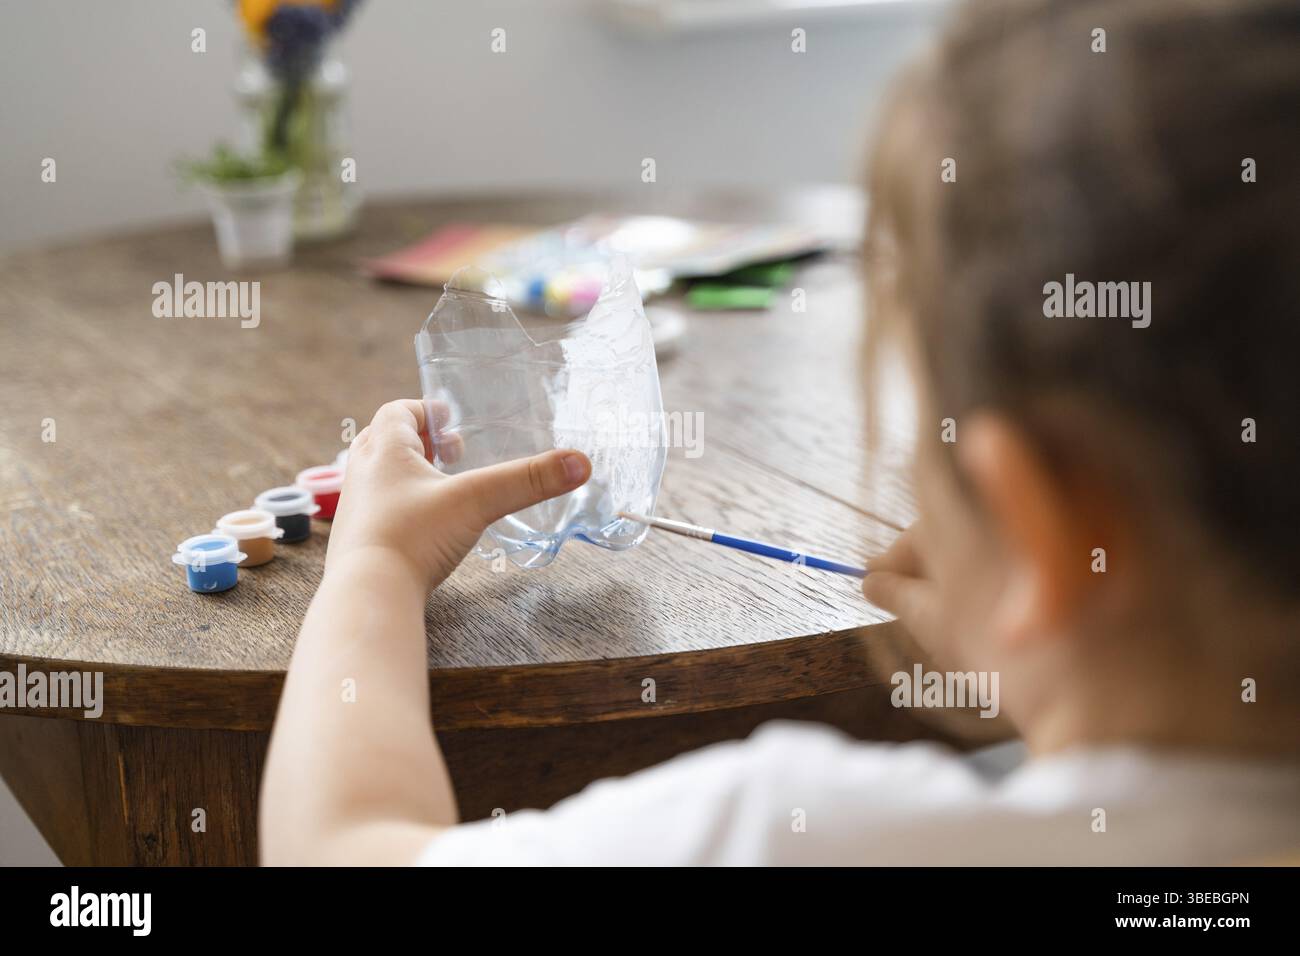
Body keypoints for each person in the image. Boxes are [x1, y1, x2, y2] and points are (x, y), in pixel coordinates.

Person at [259, 0, 1300, 865]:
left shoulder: (788, 835)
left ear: (1049, 517)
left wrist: (378, 562)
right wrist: (1056, 657)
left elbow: (341, 845)